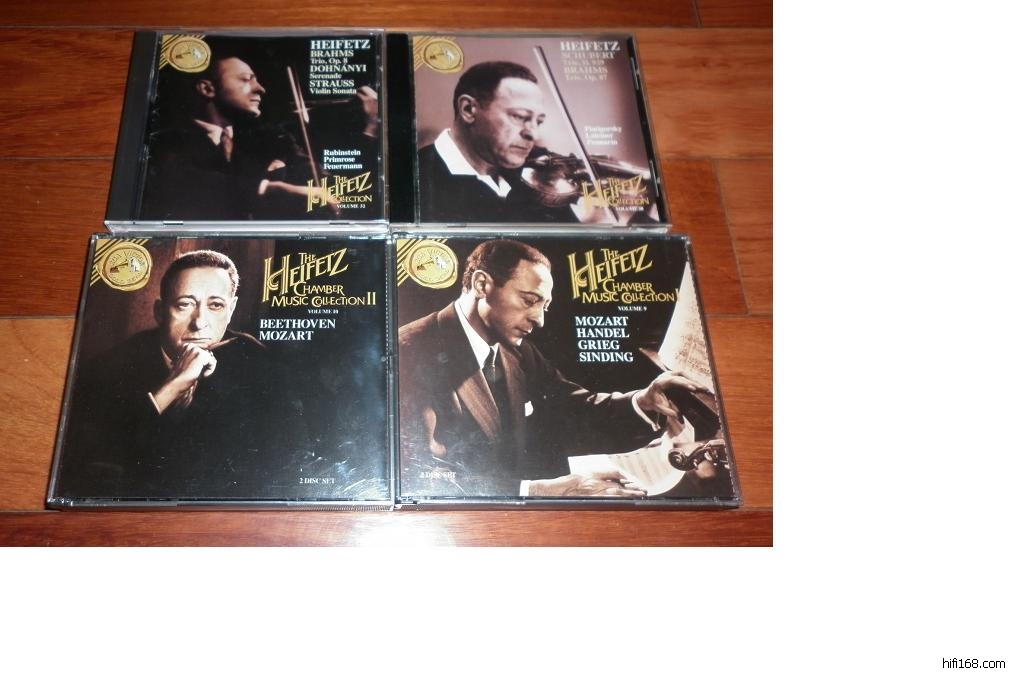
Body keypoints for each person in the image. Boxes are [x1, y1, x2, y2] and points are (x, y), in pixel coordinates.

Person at [398, 239, 712, 497]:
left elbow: (572, 408)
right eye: (529, 300)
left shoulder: (515, 348)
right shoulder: (407, 352)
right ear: (482, 284)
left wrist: (643, 402)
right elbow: (419, 476)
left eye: (544, 306)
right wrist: (539, 490)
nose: (539, 320)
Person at [56, 250, 300, 499]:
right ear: (160, 311)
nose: (199, 322)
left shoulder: (267, 371)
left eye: (216, 305)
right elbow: (91, 469)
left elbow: (283, 469)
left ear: (231, 309)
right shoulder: (107, 369)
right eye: (184, 305)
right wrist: (173, 385)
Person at [140, 43, 378, 221]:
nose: (260, 89)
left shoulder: (272, 139)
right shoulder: (164, 140)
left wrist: (370, 129)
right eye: (246, 79)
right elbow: (185, 183)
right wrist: (266, 189)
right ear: (207, 89)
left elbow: (337, 188)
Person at [417, 61, 605, 224]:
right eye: (519, 116)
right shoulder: (420, 181)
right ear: (468, 109)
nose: (533, 133)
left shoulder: (542, 175)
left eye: (539, 121)